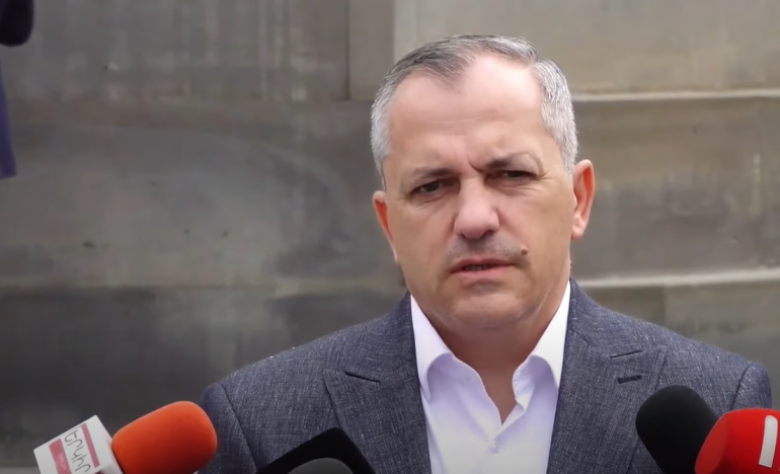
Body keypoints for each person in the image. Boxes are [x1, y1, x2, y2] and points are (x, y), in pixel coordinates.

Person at [200, 35, 772, 474]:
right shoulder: (261, 423)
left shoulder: (718, 409)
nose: (474, 219)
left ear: (578, 199)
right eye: (432, 186)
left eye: (511, 174)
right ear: (389, 225)